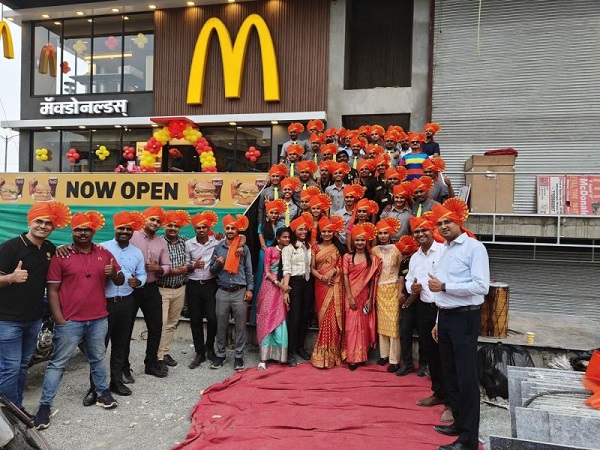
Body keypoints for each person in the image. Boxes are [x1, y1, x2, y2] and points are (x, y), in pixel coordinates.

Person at [34, 211, 125, 430]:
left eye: (87, 229)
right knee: (58, 364)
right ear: (72, 231)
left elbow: (120, 280)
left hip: (98, 319)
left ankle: (103, 394)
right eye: (78, 229)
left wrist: (114, 273)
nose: (82, 233)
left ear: (93, 232)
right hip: (70, 322)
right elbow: (52, 291)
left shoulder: (104, 253)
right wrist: (60, 319)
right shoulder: (61, 255)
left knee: (98, 358)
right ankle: (44, 406)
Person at [428, 198, 490, 450]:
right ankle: (459, 422)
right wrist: (437, 320)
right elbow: (438, 289)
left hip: (465, 317)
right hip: (445, 317)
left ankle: (468, 438)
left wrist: (445, 287)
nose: (443, 227)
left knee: (466, 377)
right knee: (450, 374)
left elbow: (481, 286)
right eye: (439, 223)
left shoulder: (474, 248)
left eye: (448, 222)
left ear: (459, 222)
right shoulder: (445, 249)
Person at [0, 202, 70, 415]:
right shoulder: (11, 247)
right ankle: (10, 415)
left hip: (33, 319)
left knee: (23, 366)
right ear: (30, 221)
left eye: (48, 223)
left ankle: (16, 408)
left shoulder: (49, 249)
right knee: (10, 368)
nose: (43, 226)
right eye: (39, 221)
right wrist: (11, 278)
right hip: (7, 319)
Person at [81, 211, 147, 405]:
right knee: (98, 348)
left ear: (132, 231)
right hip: (104, 303)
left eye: (128, 229)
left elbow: (142, 273)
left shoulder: (137, 252)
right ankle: (95, 388)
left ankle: (116, 382)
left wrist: (139, 282)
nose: (125, 231)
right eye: (121, 228)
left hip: (126, 302)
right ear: (115, 228)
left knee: (121, 344)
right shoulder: (102, 248)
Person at [405, 216, 451, 422]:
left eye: (424, 230)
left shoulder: (444, 251)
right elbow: (409, 281)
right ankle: (438, 392)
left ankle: (451, 402)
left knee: (446, 355)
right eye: (417, 231)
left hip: (444, 308)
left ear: (433, 231)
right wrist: (411, 288)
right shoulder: (415, 258)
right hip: (424, 308)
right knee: (430, 352)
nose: (420, 234)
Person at [125, 206, 172, 380]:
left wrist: (158, 268)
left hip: (151, 287)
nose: (155, 223)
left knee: (156, 326)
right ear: (144, 219)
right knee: (126, 328)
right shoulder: (132, 235)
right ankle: (123, 367)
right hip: (131, 289)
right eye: (152, 219)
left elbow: (167, 266)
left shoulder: (161, 242)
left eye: (158, 221)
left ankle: (151, 364)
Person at [209, 214, 253, 371]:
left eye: (233, 228)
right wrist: (218, 265)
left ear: (237, 230)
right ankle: (221, 355)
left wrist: (250, 289)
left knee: (240, 327)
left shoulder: (243, 248)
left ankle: (238, 357)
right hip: (222, 291)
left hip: (239, 291)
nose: (229, 231)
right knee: (221, 326)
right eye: (227, 228)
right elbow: (212, 270)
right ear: (224, 229)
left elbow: (248, 270)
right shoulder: (218, 248)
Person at [342, 223, 381, 371]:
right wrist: (350, 297)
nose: (359, 242)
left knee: (363, 327)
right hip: (351, 294)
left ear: (367, 241)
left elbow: (372, 281)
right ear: (353, 241)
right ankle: (352, 358)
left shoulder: (372, 259)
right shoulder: (347, 257)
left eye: (362, 240)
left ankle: (362, 356)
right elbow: (345, 277)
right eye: (357, 240)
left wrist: (370, 299)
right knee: (351, 327)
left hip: (365, 295)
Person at [185, 211, 220, 369]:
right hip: (193, 285)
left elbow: (239, 238)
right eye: (198, 227)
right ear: (194, 229)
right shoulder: (189, 244)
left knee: (213, 318)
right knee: (195, 320)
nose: (201, 230)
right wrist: (194, 266)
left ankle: (210, 347)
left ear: (208, 228)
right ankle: (199, 352)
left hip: (210, 284)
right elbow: (185, 266)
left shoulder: (216, 241)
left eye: (204, 227)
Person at [157, 210, 192, 369]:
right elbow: (154, 266)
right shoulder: (158, 242)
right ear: (164, 226)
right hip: (162, 289)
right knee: (161, 323)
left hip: (180, 288)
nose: (172, 228)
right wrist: (174, 271)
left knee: (172, 323)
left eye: (176, 226)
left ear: (180, 227)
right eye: (169, 225)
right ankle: (157, 357)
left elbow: (204, 242)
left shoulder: (185, 241)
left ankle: (165, 353)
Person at [310, 215, 346, 369]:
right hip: (321, 285)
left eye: (329, 231)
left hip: (335, 285)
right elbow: (311, 268)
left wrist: (333, 272)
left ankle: (333, 355)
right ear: (320, 232)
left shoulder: (339, 248)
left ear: (334, 233)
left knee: (333, 319)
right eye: (324, 231)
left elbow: (343, 266)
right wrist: (322, 277)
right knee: (324, 318)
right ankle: (321, 354)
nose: (326, 234)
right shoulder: (315, 247)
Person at [281, 213, 314, 367]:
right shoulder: (288, 248)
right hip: (294, 283)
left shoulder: (309, 246)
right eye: (300, 229)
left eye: (305, 229)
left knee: (305, 316)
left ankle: (300, 347)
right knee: (294, 319)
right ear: (294, 231)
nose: (303, 232)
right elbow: (286, 269)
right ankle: (290, 352)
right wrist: (286, 290)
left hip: (307, 282)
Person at [256, 227, 291, 370]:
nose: (287, 239)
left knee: (280, 319)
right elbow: (266, 271)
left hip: (283, 286)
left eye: (288, 237)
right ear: (278, 238)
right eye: (284, 237)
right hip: (270, 286)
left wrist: (284, 285)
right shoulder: (270, 250)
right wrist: (278, 283)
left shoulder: (289, 251)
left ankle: (280, 356)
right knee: (267, 318)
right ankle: (263, 358)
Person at [371, 218, 404, 373]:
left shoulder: (397, 250)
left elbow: (401, 272)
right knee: (382, 323)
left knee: (393, 324)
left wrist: (401, 290)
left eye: (385, 233)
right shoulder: (374, 250)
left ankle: (395, 359)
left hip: (393, 288)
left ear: (390, 234)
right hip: (379, 289)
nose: (383, 236)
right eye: (380, 233)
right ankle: (384, 355)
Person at [394, 235, 424, 377]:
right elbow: (401, 279)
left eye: (407, 253)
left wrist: (409, 300)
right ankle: (407, 364)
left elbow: (420, 285)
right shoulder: (405, 262)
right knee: (404, 332)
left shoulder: (419, 261)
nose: (405, 256)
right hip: (406, 303)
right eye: (403, 253)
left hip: (421, 301)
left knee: (423, 335)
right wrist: (400, 293)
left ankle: (423, 364)